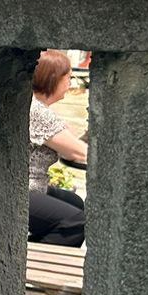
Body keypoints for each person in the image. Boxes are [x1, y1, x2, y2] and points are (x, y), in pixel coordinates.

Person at [28, 48, 88, 246]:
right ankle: (32, 256)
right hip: (23, 189)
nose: (70, 83)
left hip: (35, 185)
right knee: (76, 222)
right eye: (68, 77)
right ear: (53, 78)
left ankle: (33, 247)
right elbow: (78, 152)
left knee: (76, 203)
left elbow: (67, 140)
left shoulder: (37, 106)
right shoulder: (37, 111)